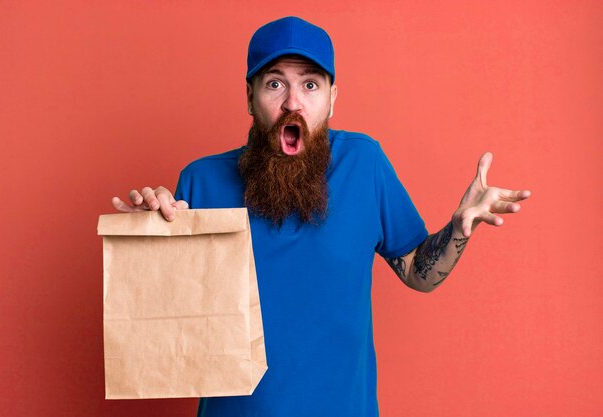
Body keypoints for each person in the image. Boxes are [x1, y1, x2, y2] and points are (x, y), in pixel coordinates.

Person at [112, 16, 531, 417]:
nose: (292, 103)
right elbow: (173, 322)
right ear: (249, 96)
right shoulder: (200, 181)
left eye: (310, 85)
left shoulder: (364, 163)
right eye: (275, 83)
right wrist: (151, 236)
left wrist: (459, 229)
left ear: (332, 97)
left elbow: (418, 273)